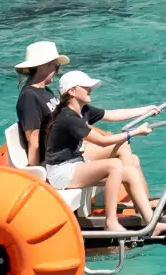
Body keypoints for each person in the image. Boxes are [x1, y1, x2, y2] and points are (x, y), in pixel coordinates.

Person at [42, 71, 157, 231]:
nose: (91, 89)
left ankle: (152, 224)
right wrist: (134, 133)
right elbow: (102, 141)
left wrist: (145, 110)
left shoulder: (83, 110)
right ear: (72, 91)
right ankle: (110, 223)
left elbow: (112, 114)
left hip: (76, 164)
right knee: (114, 165)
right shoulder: (68, 117)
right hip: (62, 173)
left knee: (129, 172)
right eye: (86, 87)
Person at [12, 39, 69, 166]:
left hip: (64, 150)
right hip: (54, 159)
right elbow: (33, 140)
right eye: (56, 65)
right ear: (43, 66)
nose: (57, 69)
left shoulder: (45, 91)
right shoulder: (29, 97)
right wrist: (36, 174)